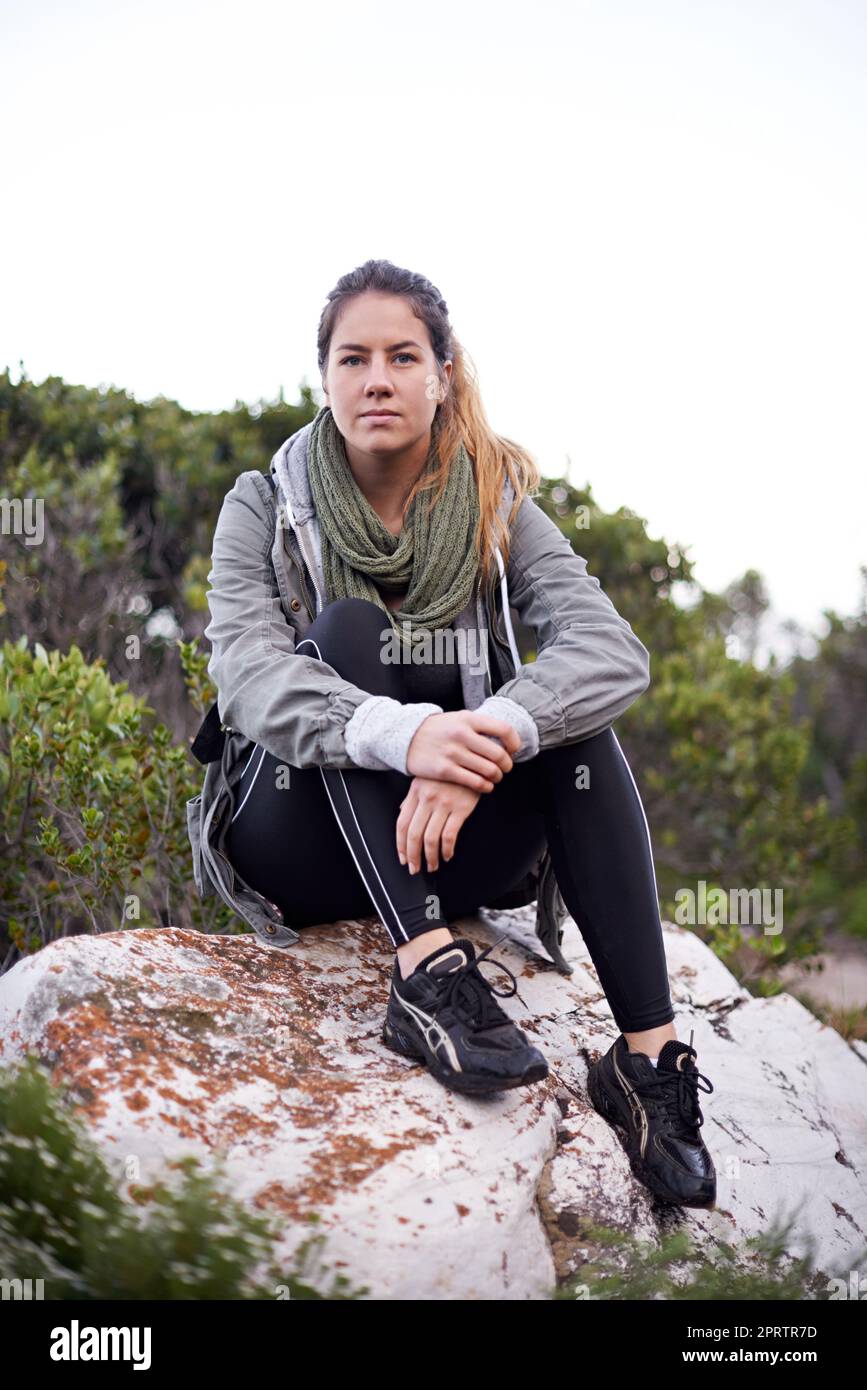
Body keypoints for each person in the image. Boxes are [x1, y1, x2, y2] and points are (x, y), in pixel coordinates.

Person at [204, 258, 716, 1208]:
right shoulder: (264, 501)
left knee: (572, 723)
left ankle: (646, 1059)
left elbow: (609, 649)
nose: (378, 379)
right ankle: (426, 977)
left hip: (458, 844)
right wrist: (404, 739)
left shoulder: (497, 501)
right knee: (345, 632)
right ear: (325, 377)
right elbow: (246, 673)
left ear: (442, 373)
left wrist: (487, 734)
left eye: (403, 356)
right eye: (353, 358)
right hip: (304, 843)